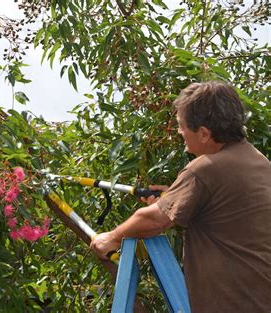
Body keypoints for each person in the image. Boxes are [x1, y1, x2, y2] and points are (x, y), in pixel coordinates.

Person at [90, 81, 271, 312]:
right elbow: (226, 213)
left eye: (181, 126)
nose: (179, 132)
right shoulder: (259, 161)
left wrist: (112, 238)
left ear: (204, 133)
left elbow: (154, 220)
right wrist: (174, 199)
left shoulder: (204, 169)